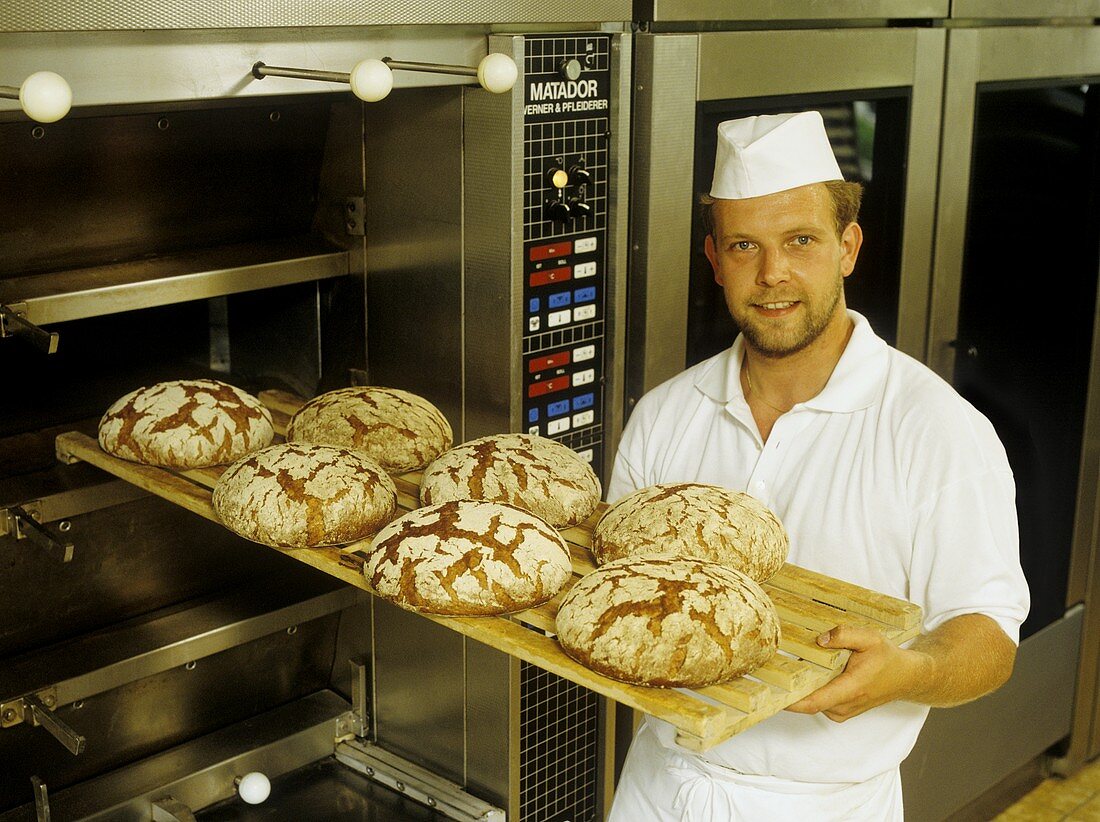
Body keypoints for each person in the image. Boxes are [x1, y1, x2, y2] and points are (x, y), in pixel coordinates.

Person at [605, 111, 1030, 820]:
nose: (773, 275)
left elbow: (988, 636)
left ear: (848, 247)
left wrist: (908, 673)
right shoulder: (666, 413)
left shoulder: (936, 429)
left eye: (800, 240)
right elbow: (619, 581)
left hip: (826, 805)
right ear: (715, 260)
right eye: (745, 246)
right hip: (659, 786)